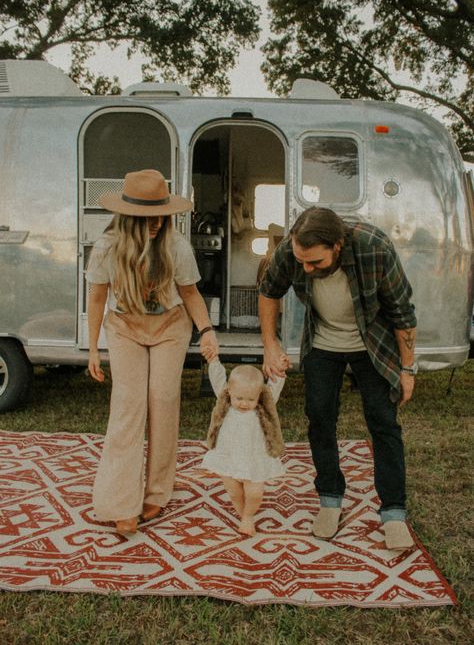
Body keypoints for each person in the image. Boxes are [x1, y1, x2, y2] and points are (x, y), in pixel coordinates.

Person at [259, 207, 417, 551]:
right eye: (302, 261)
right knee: (319, 417)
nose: (306, 269)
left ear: (338, 245)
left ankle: (393, 511)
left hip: (372, 343)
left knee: (382, 421)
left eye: (314, 263)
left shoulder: (375, 248)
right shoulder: (293, 249)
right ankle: (329, 499)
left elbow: (403, 312)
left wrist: (407, 369)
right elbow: (269, 291)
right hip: (322, 341)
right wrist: (270, 345)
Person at [86, 169, 219, 537]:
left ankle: (158, 492)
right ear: (129, 217)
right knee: (128, 406)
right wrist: (94, 348)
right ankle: (121, 503)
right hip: (125, 326)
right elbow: (97, 298)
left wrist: (207, 331)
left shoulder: (176, 247)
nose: (157, 223)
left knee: (162, 400)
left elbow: (191, 294)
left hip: (170, 327)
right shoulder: (107, 247)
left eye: (161, 215)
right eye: (148, 217)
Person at [200, 356, 286, 536]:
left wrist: (280, 369)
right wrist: (213, 360)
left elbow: (274, 388)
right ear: (229, 391)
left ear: (259, 396)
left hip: (253, 459)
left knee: (254, 492)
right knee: (233, 491)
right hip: (229, 457)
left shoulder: (261, 407)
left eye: (250, 399)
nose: (244, 403)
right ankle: (243, 515)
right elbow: (217, 379)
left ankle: (248, 516)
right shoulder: (226, 403)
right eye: (239, 398)